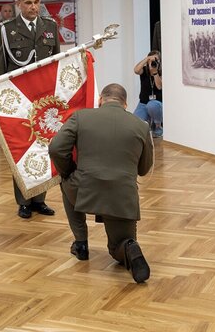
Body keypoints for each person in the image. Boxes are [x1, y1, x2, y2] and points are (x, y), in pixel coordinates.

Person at [48, 83, 154, 283]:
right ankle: (130, 247)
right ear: (125, 104)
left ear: (100, 100)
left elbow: (56, 148)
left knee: (65, 182)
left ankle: (81, 244)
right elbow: (143, 169)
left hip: (84, 188)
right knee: (117, 248)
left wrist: (69, 171)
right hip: (121, 196)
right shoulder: (141, 125)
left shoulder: (81, 117)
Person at [0, 0, 59, 219]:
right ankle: (23, 200)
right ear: (18, 4)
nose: (33, 7)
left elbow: (56, 65)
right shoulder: (5, 29)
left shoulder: (50, 27)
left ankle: (40, 198)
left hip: (44, 102)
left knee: (44, 149)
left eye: (37, 2)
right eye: (28, 2)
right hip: (19, 103)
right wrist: (0, 102)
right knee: (21, 151)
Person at [132, 50, 163, 138]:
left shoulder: (161, 71)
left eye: (156, 60)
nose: (153, 61)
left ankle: (157, 126)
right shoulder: (144, 70)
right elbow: (136, 70)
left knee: (152, 105)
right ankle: (148, 122)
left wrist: (155, 73)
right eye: (151, 60)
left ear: (159, 61)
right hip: (143, 103)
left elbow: (159, 86)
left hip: (157, 104)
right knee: (134, 123)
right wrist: (147, 59)